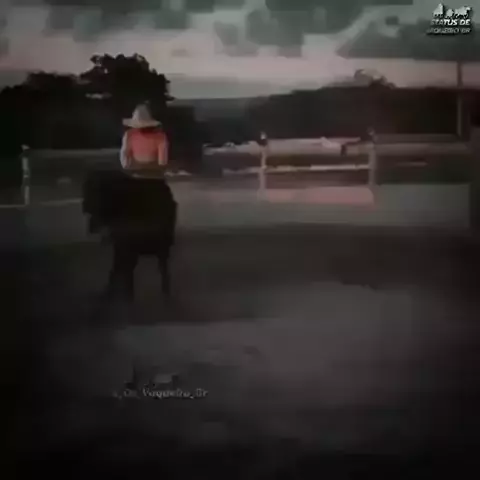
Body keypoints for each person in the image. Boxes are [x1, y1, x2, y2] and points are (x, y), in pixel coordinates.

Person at [120, 103, 169, 176]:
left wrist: (127, 167)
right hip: (153, 170)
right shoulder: (160, 136)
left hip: (136, 170)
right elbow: (162, 161)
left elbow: (124, 154)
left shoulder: (130, 134)